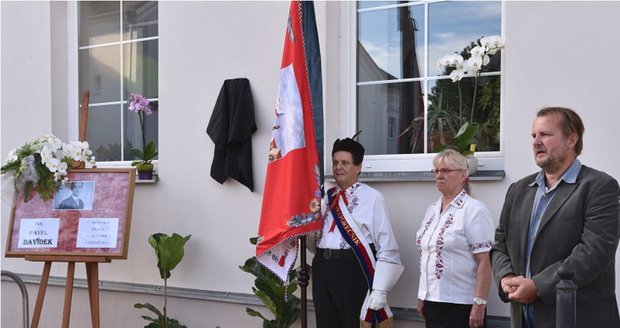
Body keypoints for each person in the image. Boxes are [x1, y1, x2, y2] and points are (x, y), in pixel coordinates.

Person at [490, 106, 620, 328]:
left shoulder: (599, 187)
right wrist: (505, 278)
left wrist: (538, 286)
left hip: (578, 318)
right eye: (533, 135)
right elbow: (500, 245)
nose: (536, 141)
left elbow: (594, 252)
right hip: (523, 318)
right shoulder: (518, 190)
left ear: (571, 140)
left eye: (545, 135)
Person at [312, 137, 404, 328]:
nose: (338, 167)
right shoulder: (325, 197)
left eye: (345, 163)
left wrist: (380, 289)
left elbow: (387, 246)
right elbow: (314, 236)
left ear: (358, 167)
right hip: (322, 268)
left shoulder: (372, 198)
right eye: (335, 162)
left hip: (351, 270)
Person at [416, 149, 494, 328]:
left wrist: (479, 303)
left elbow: (485, 260)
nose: (439, 175)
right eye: (436, 171)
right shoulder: (432, 210)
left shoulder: (474, 210)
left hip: (462, 304)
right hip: (433, 301)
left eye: (445, 171)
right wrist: (422, 296)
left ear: (462, 175)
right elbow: (427, 255)